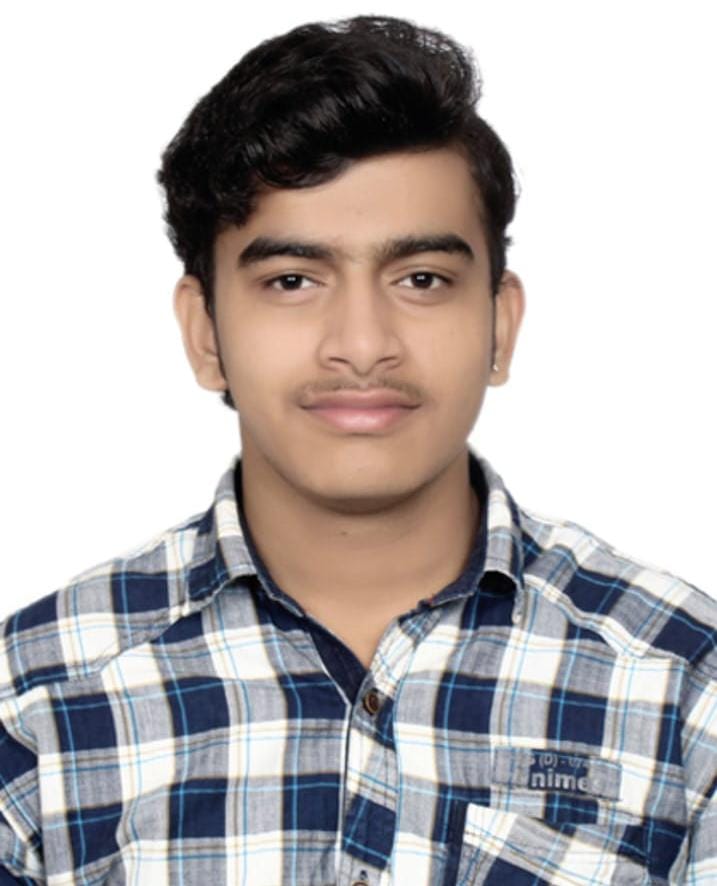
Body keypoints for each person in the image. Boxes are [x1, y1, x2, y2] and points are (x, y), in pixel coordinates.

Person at [0, 14, 714, 885]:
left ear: (499, 324)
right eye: (291, 281)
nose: (362, 344)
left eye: (421, 279)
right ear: (205, 333)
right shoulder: (36, 703)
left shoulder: (682, 687)